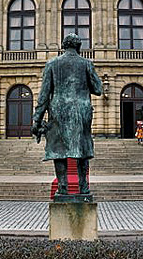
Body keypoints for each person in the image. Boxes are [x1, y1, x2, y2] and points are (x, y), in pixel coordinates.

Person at [32, 33, 103, 196]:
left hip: (59, 111)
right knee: (83, 148)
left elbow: (44, 95)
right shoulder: (86, 63)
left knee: (59, 149)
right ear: (78, 47)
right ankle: (84, 187)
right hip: (82, 111)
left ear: (63, 46)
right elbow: (98, 89)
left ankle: (62, 187)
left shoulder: (52, 64)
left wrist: (37, 119)